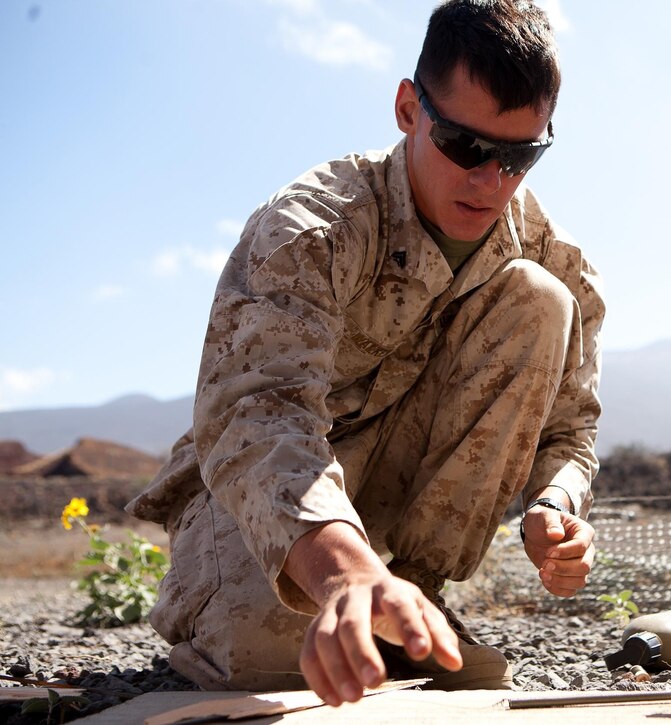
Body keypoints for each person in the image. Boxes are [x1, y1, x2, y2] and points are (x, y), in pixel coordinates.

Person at [126, 0, 605, 707]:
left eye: (519, 156)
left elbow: (572, 430)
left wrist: (555, 502)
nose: (491, 181)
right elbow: (259, 415)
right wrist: (344, 571)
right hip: (267, 498)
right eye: (467, 148)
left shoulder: (556, 259)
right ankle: (349, 597)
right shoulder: (315, 226)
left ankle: (411, 592)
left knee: (540, 299)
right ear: (409, 109)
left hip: (389, 506)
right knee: (270, 659)